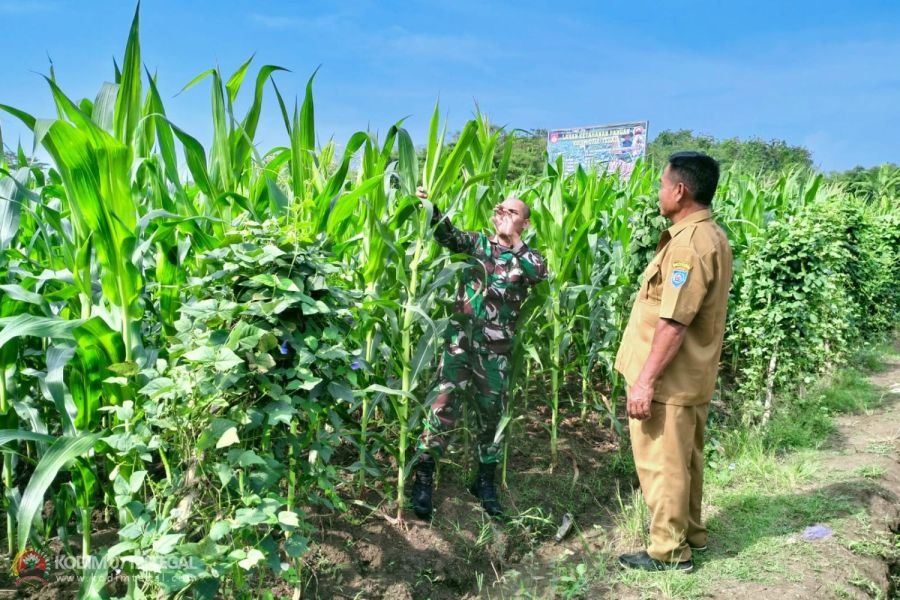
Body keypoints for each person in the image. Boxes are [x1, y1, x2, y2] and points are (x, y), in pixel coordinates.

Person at [614, 152, 733, 572]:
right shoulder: (710, 235)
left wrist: (645, 381)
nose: (659, 193)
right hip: (690, 376)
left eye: (662, 185)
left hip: (669, 379)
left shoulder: (688, 245)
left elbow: (673, 321)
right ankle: (691, 534)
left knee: (662, 464)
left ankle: (668, 552)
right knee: (686, 460)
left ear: (680, 191)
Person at [410, 186, 548, 519]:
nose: (504, 214)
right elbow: (448, 234)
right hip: (460, 346)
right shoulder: (478, 244)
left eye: (512, 212)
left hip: (495, 353)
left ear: (525, 223)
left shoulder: (527, 258)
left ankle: (484, 482)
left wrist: (514, 241)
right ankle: (424, 476)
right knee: (442, 408)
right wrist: (428, 205)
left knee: (491, 418)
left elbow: (539, 275)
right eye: (501, 209)